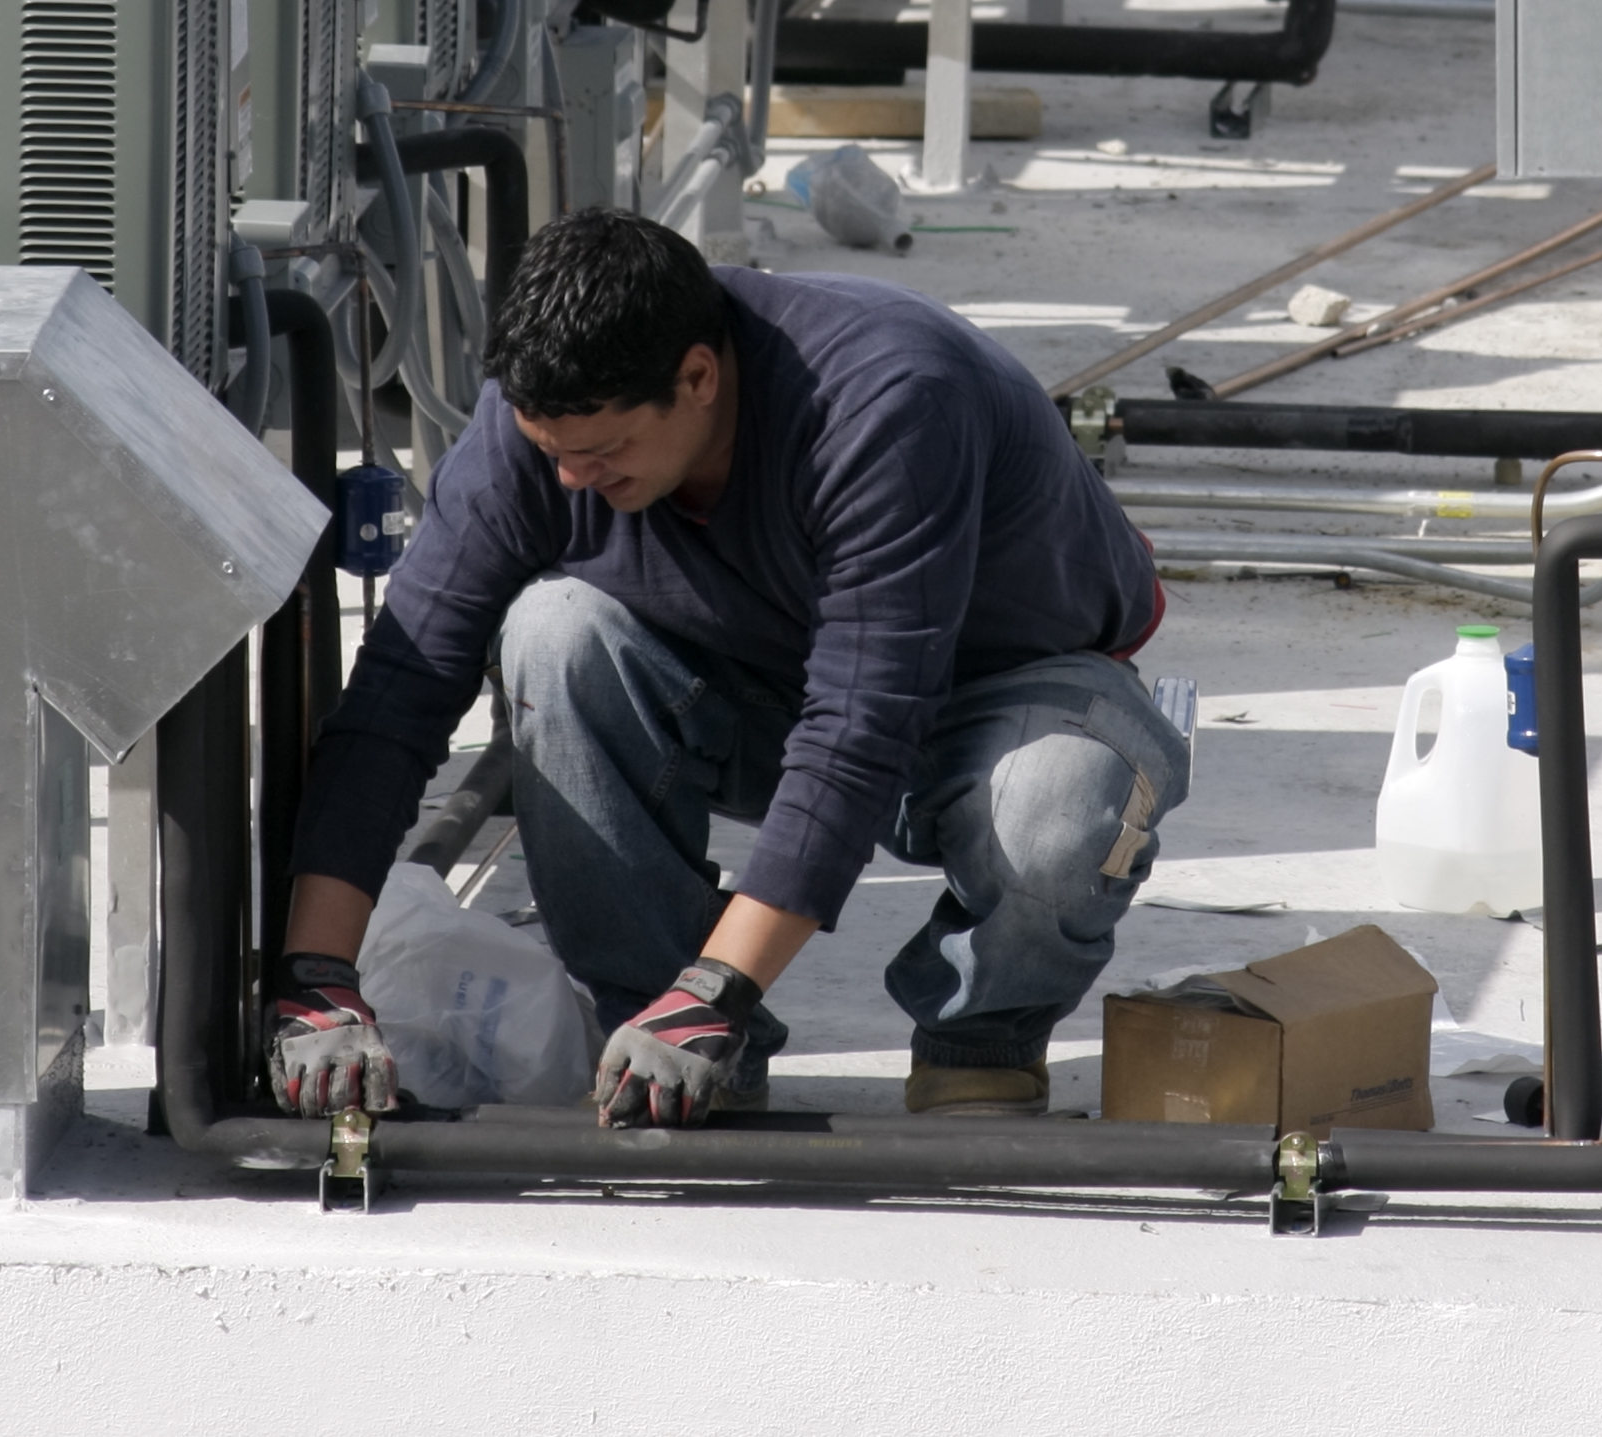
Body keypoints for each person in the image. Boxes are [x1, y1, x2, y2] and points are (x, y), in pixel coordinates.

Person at [267, 209, 1186, 1128]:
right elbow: (400, 693)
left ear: (698, 377)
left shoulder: (886, 400)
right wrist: (317, 978)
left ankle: (980, 1041)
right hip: (766, 683)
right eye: (554, 455)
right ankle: (663, 1032)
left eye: (604, 452)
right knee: (552, 631)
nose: (574, 482)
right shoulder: (544, 433)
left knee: (1064, 801)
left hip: (1004, 695)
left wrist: (722, 982)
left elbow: (860, 726)